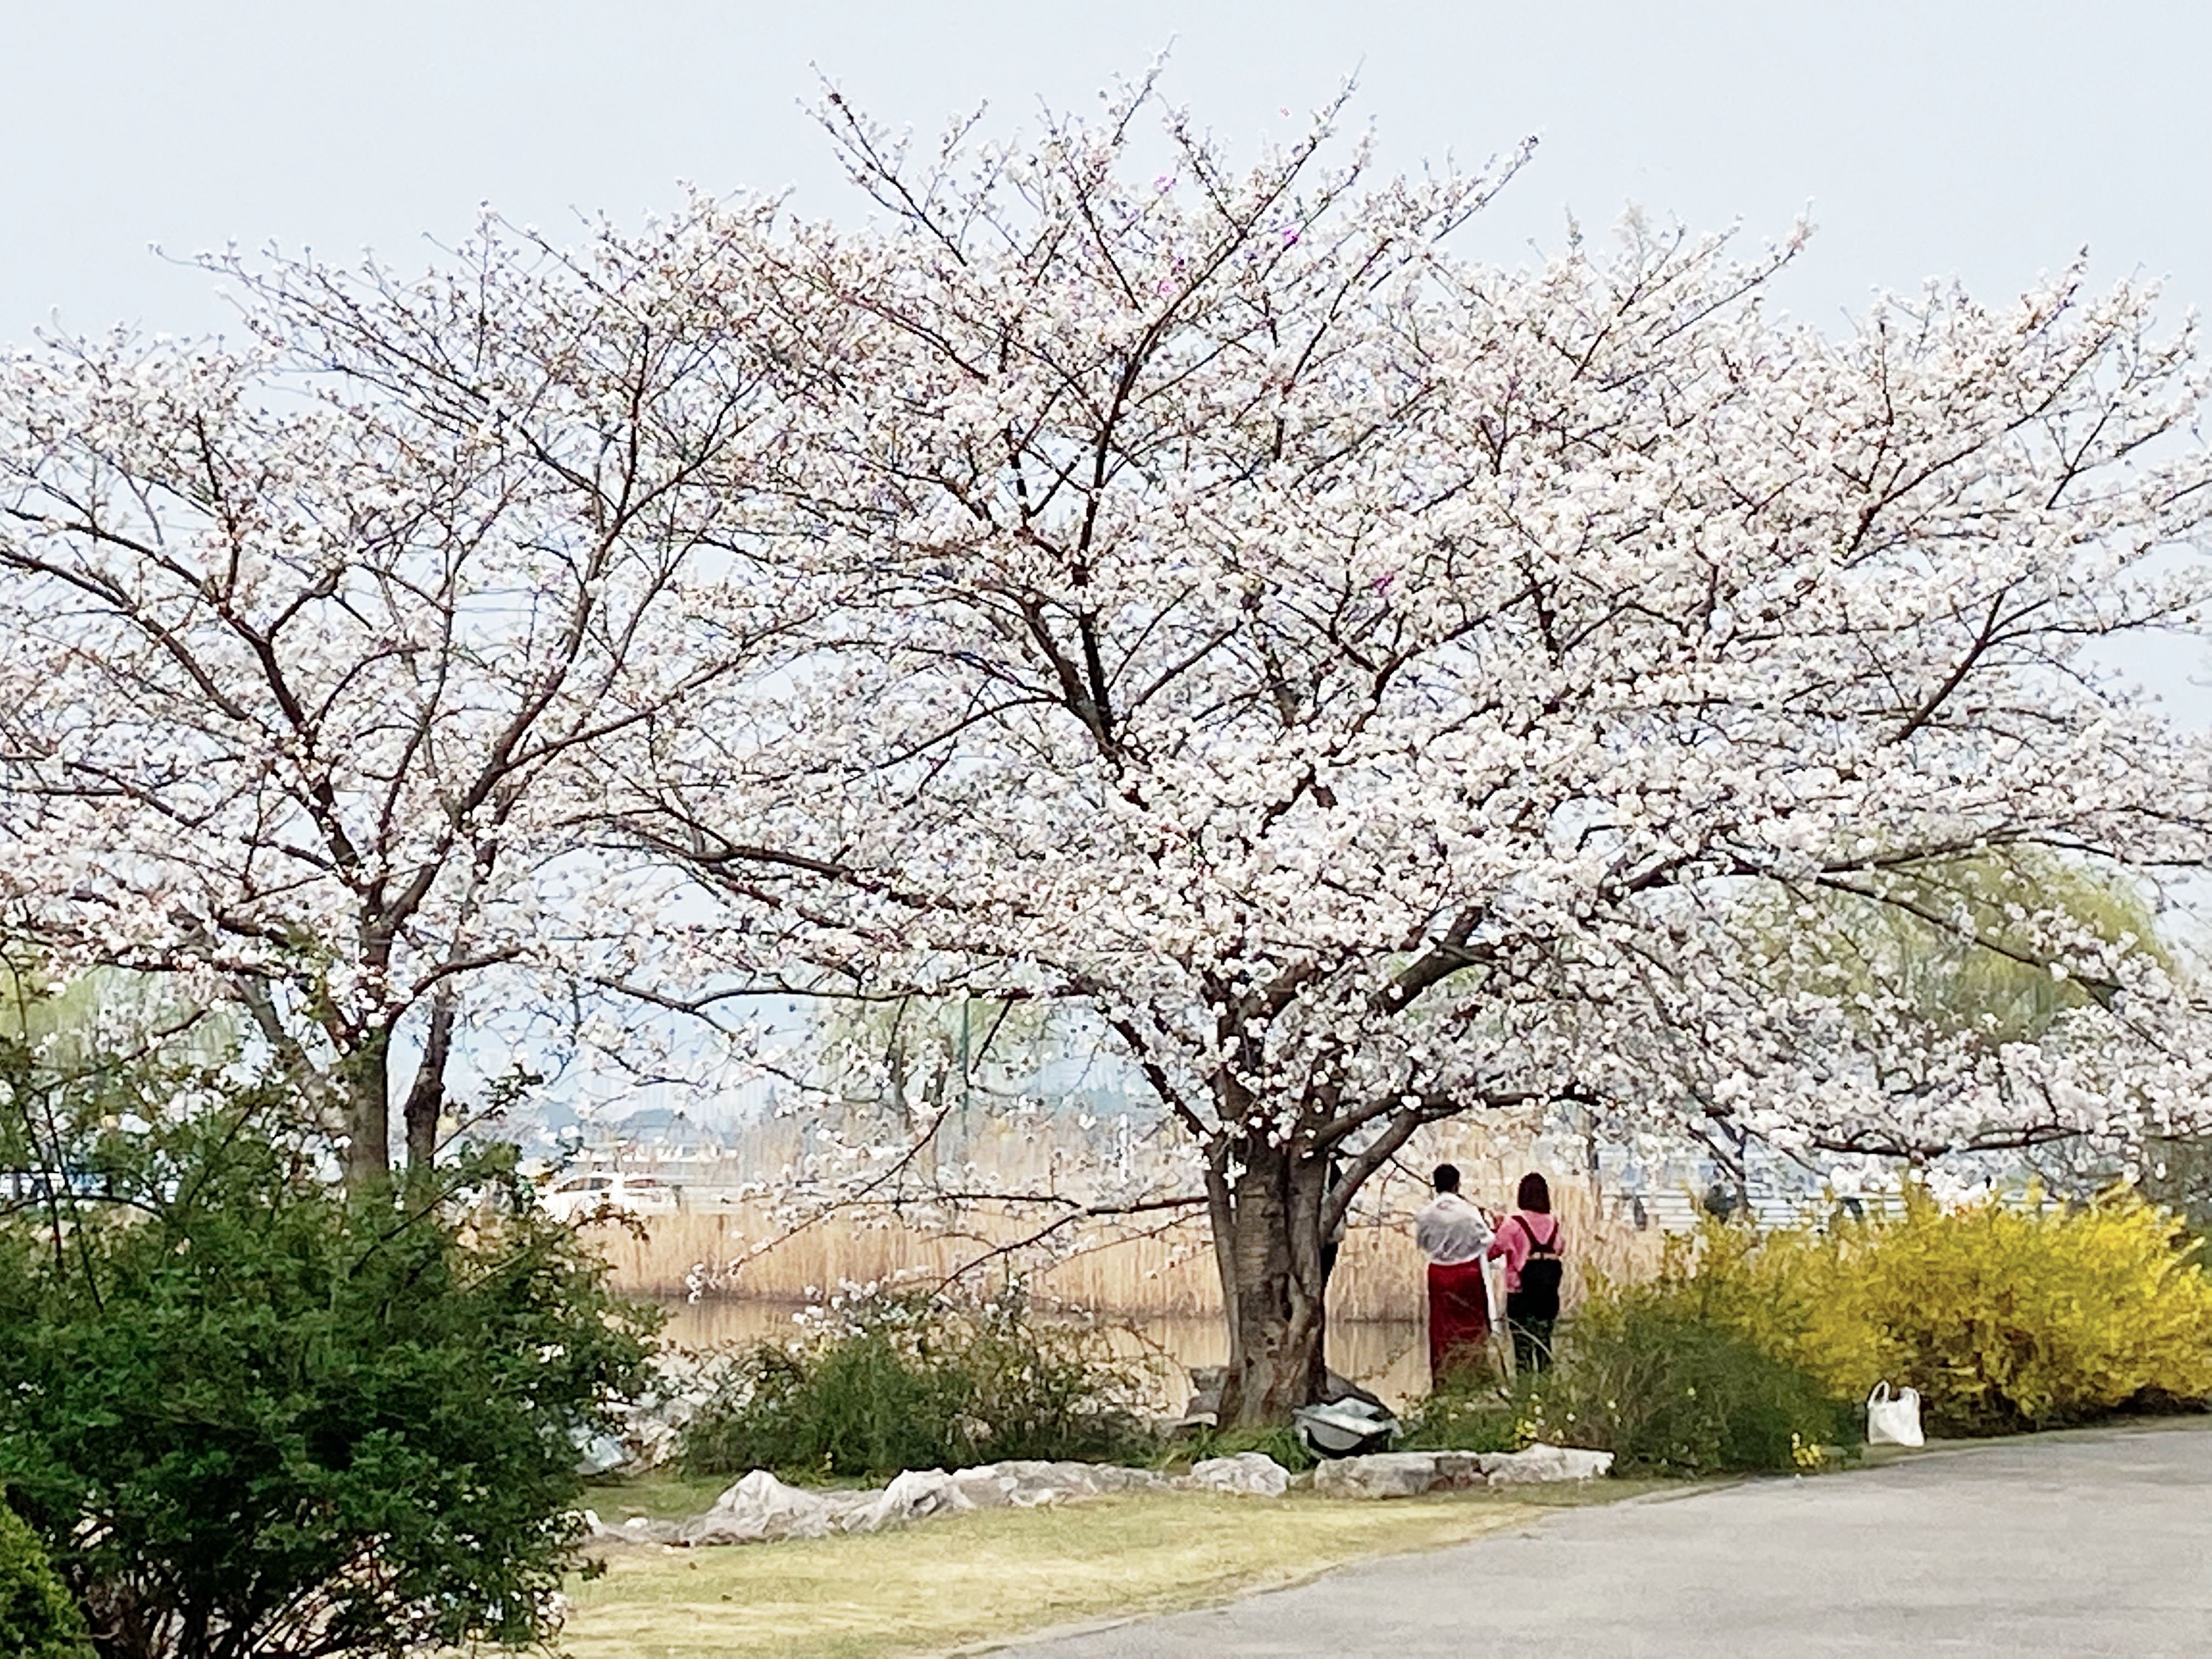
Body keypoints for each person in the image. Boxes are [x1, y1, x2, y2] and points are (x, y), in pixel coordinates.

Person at [1414, 1163, 1494, 1384]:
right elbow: (1487, 1240)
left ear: (1435, 1185)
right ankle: (1475, 1372)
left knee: (1442, 1327)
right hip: (1467, 1271)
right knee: (1471, 1323)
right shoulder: (1468, 1211)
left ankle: (1443, 1375)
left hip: (1439, 1272)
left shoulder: (1425, 1214)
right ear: (1457, 1184)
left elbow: (1422, 1243)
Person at [1489, 1171, 1565, 1373]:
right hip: (1548, 1294)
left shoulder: (1513, 1223)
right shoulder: (1553, 1222)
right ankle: (1547, 1392)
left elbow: (1492, 1251)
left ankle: (1524, 1395)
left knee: (1522, 1348)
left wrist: (1497, 1229)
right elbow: (1559, 1248)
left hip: (1520, 1294)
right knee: (1544, 1343)